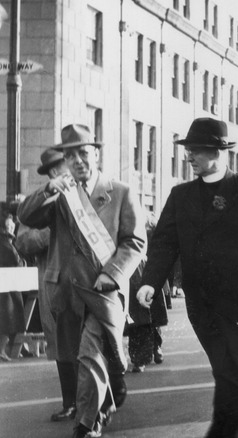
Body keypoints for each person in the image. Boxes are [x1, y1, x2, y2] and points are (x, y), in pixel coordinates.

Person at [136, 117, 238, 437]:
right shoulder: (180, 195)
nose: (189, 156)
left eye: (196, 150)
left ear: (217, 152)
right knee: (229, 372)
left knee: (229, 374)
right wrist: (150, 280)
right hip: (199, 305)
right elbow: (164, 242)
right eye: (188, 150)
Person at [17, 124, 147, 438]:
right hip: (66, 290)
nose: (77, 161)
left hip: (103, 292)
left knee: (89, 354)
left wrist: (112, 274)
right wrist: (48, 189)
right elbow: (26, 216)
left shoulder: (121, 191)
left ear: (96, 154)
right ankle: (104, 402)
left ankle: (87, 424)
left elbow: (135, 242)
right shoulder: (62, 195)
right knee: (78, 357)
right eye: (71, 155)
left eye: (84, 153)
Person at [14, 148, 81, 420]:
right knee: (61, 346)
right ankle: (70, 402)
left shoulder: (86, 192)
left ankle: (93, 401)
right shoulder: (40, 204)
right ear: (54, 173)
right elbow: (23, 241)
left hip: (85, 282)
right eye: (65, 165)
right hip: (53, 283)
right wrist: (53, 232)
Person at [126, 215, 169, 373]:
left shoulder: (150, 224)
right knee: (138, 319)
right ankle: (139, 358)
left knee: (153, 317)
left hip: (150, 270)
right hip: (131, 271)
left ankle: (156, 347)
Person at [0, 212, 25, 362]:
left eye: (12, 225)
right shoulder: (5, 243)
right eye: (8, 226)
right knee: (9, 318)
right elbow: (17, 261)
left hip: (7, 286)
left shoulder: (7, 242)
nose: (11, 228)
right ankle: (2, 349)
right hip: (7, 288)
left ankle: (7, 348)